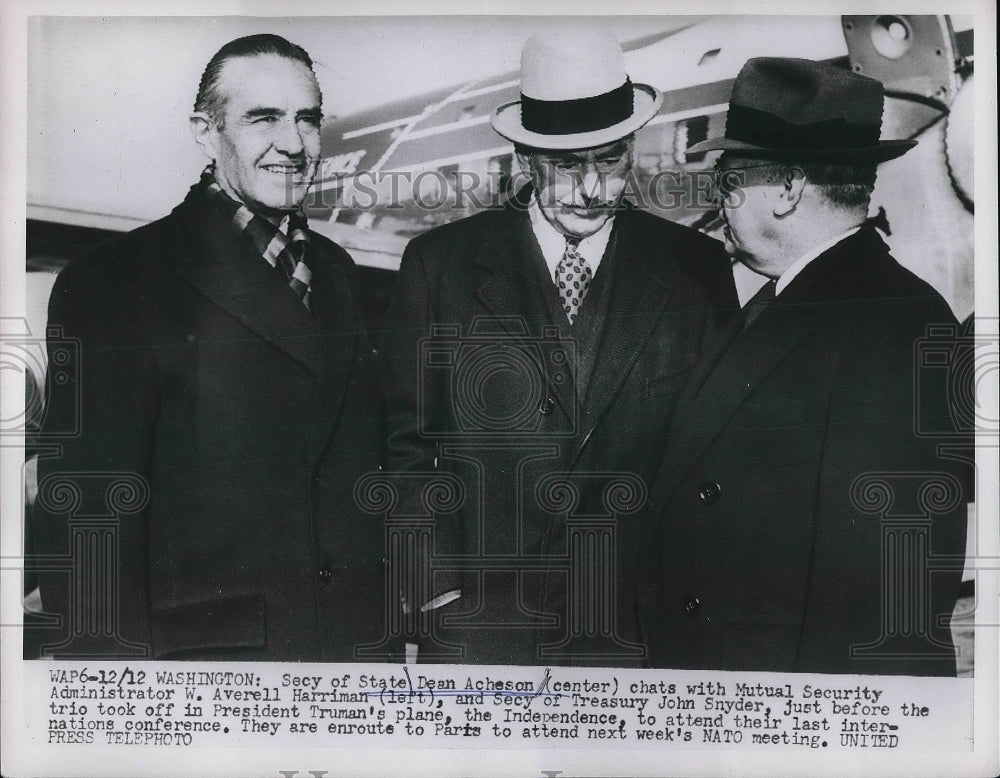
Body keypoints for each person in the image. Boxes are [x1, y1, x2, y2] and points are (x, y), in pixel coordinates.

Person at [380, 31, 737, 665]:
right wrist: (433, 590)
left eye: (611, 159)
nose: (593, 188)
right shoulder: (440, 266)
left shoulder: (696, 269)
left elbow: (714, 460)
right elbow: (405, 448)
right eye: (569, 165)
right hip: (479, 634)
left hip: (638, 637)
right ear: (525, 157)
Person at [33, 34, 385, 661]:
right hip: (206, 666)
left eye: (307, 118)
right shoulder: (114, 279)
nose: (292, 143)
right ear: (204, 131)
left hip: (348, 656)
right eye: (263, 119)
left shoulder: (338, 272)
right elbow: (90, 519)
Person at [638, 57, 970, 675]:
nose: (720, 202)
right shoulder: (793, 300)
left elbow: (879, 598)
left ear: (788, 190)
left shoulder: (893, 323)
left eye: (730, 182)